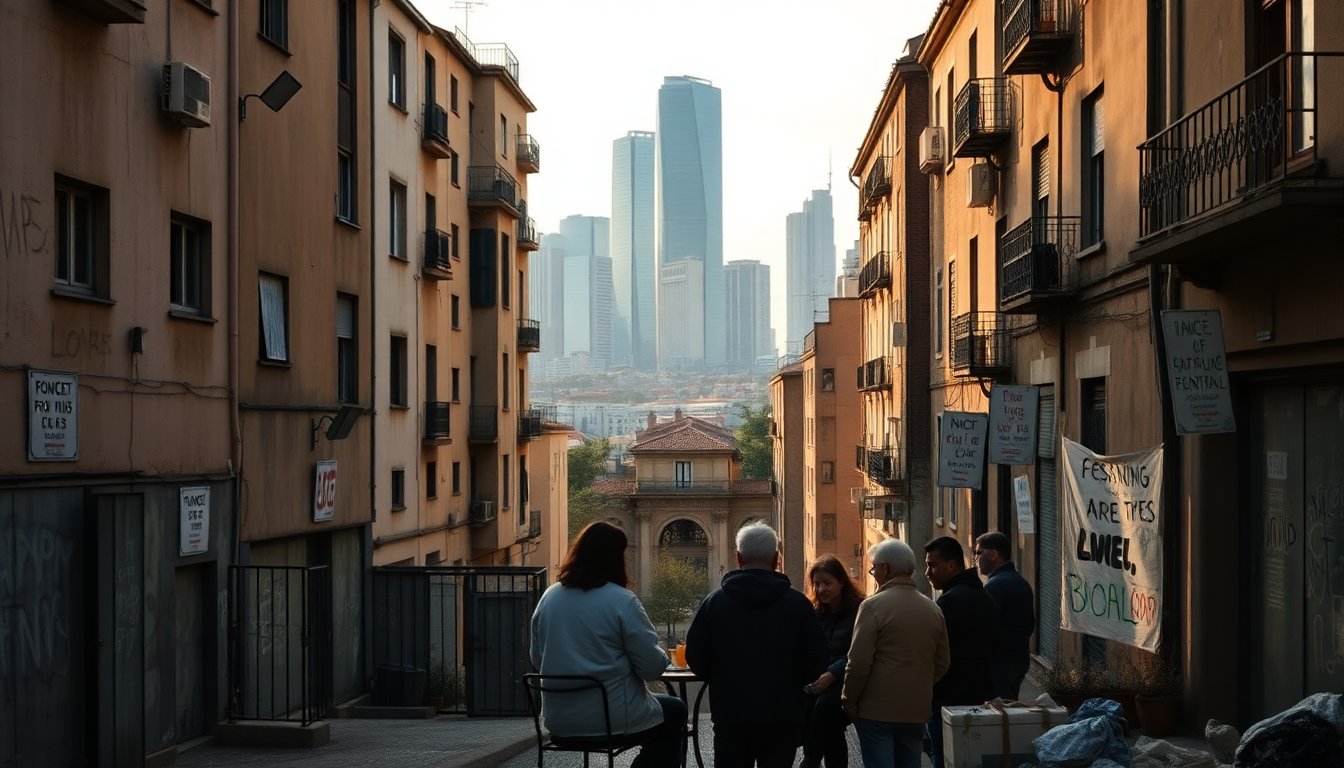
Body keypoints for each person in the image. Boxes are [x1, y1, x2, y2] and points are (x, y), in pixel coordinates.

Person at [530, 521, 687, 768]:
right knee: (675, 709)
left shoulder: (549, 597)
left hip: (559, 721)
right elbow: (652, 668)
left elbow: (538, 659)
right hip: (611, 718)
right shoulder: (622, 601)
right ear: (616, 558)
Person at [685, 522, 828, 768]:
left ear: (739, 557)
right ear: (776, 559)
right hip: (783, 715)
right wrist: (795, 682)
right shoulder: (798, 604)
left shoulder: (714, 603)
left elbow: (696, 659)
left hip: (730, 714)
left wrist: (720, 677)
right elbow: (818, 660)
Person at [841, 538, 950, 768]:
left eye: (874, 569)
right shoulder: (933, 609)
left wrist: (849, 700)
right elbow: (942, 662)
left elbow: (858, 663)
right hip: (916, 708)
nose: (874, 574)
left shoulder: (872, 606)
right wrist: (919, 684)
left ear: (885, 568)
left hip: (877, 709)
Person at [923, 536, 997, 768]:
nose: (927, 572)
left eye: (932, 565)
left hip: (949, 700)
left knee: (945, 757)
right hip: (978, 695)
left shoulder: (950, 602)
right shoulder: (983, 595)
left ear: (951, 565)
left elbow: (934, 653)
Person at [800, 555, 865, 768]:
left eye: (827, 583)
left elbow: (859, 652)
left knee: (826, 708)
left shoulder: (859, 611)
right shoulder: (815, 612)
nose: (821, 589)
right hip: (819, 680)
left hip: (849, 680)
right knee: (830, 726)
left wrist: (832, 674)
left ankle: (811, 759)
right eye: (817, 584)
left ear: (841, 582)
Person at [975, 531, 1036, 700]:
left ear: (993, 555)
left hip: (999, 664)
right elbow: (1029, 624)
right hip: (1017, 660)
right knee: (1009, 706)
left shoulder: (994, 586)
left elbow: (984, 628)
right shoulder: (1020, 582)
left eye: (979, 553)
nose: (976, 558)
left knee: (997, 710)